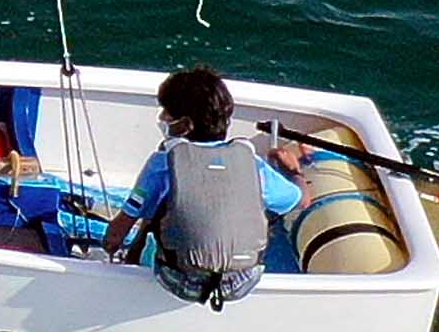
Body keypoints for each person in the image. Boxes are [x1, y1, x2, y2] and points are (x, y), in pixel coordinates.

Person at [111, 64, 302, 305]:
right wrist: (295, 171)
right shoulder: (253, 164)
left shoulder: (163, 163)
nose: (161, 118)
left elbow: (117, 232)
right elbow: (298, 200)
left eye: (167, 113)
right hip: (242, 281)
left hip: (180, 282)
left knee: (152, 216)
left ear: (185, 125)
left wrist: (110, 249)